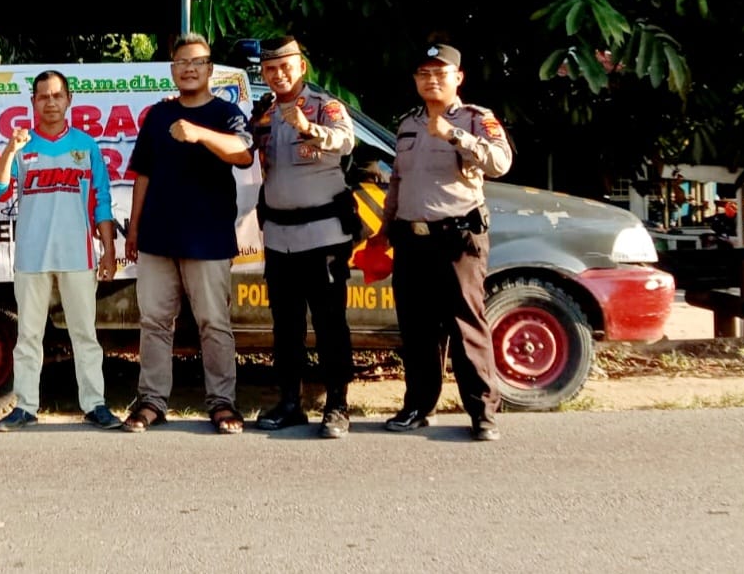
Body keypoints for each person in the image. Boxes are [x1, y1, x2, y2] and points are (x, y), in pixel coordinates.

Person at [122, 33, 254, 434]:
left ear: (210, 69)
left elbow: (243, 153)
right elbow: (142, 173)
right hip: (157, 236)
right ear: (173, 69)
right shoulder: (158, 116)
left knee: (213, 323)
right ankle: (151, 402)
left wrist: (199, 134)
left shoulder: (226, 112)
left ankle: (222, 403)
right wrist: (134, 227)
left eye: (197, 62)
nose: (189, 68)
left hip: (208, 238)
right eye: (182, 62)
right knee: (154, 322)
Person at [380, 44, 512, 441]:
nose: (431, 80)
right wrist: (385, 229)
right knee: (417, 330)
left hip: (458, 238)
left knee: (466, 326)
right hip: (412, 239)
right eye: (423, 73)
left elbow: (500, 163)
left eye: (440, 73)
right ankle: (419, 406)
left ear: (458, 77)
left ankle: (482, 413)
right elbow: (399, 181)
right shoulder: (407, 123)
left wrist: (455, 135)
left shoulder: (476, 119)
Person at [0, 70, 121, 431]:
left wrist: (108, 251)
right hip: (31, 256)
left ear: (68, 100)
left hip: (78, 255)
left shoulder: (86, 146)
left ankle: (95, 404)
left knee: (84, 335)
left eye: (57, 95)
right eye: (43, 96)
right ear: (33, 102)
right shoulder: (22, 145)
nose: (50, 103)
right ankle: (25, 406)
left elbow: (101, 203)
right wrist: (11, 150)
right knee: (28, 336)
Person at [249, 37, 358, 438]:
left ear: (301, 68)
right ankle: (290, 403)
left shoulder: (324, 107)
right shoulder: (263, 113)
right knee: (286, 327)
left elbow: (346, 141)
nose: (278, 75)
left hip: (323, 237)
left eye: (285, 67)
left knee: (331, 324)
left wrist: (308, 128)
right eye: (270, 69)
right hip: (279, 237)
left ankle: (337, 406)